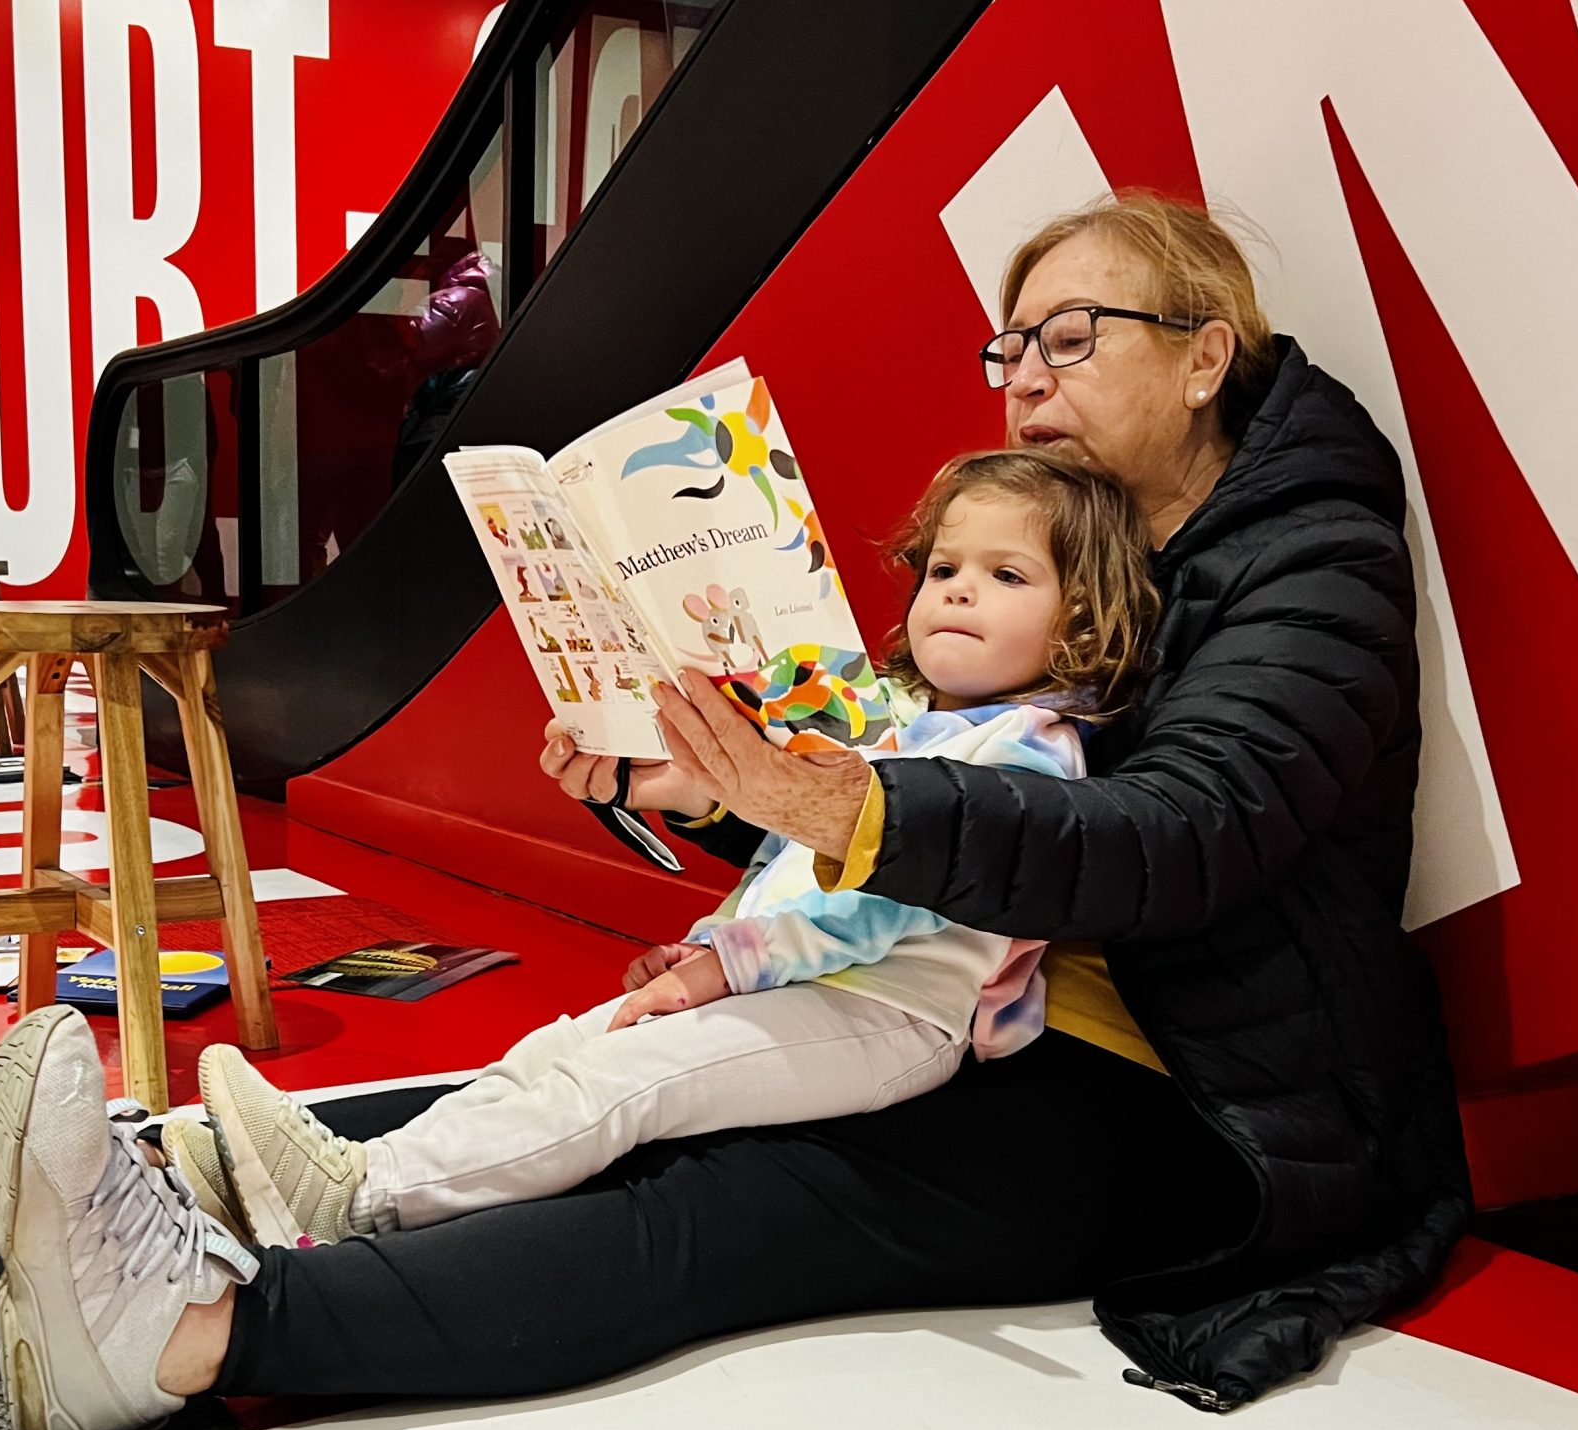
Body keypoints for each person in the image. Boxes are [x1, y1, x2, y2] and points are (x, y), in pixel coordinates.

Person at [0, 191, 1469, 1430]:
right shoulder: (1073, 541)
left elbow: (1183, 842)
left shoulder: (1310, 563)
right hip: (988, 1004)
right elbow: (878, 852)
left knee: (709, 1198)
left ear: (1205, 355)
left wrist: (843, 801)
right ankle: (106, 1195)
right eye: (1008, 345)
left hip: (1195, 1098)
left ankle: (179, 1335)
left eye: (1067, 334)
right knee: (582, 1075)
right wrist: (703, 795)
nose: (1024, 373)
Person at [180, 450, 1154, 1248]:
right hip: (796, 985)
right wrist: (708, 932)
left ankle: (364, 1197)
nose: (957, 593)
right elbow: (786, 855)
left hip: (895, 1014)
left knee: (628, 1083)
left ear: (1079, 619)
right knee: (565, 1048)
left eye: (1006, 575)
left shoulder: (1028, 747)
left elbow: (883, 899)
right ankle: (347, 1171)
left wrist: (716, 971)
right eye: (944, 570)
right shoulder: (892, 719)